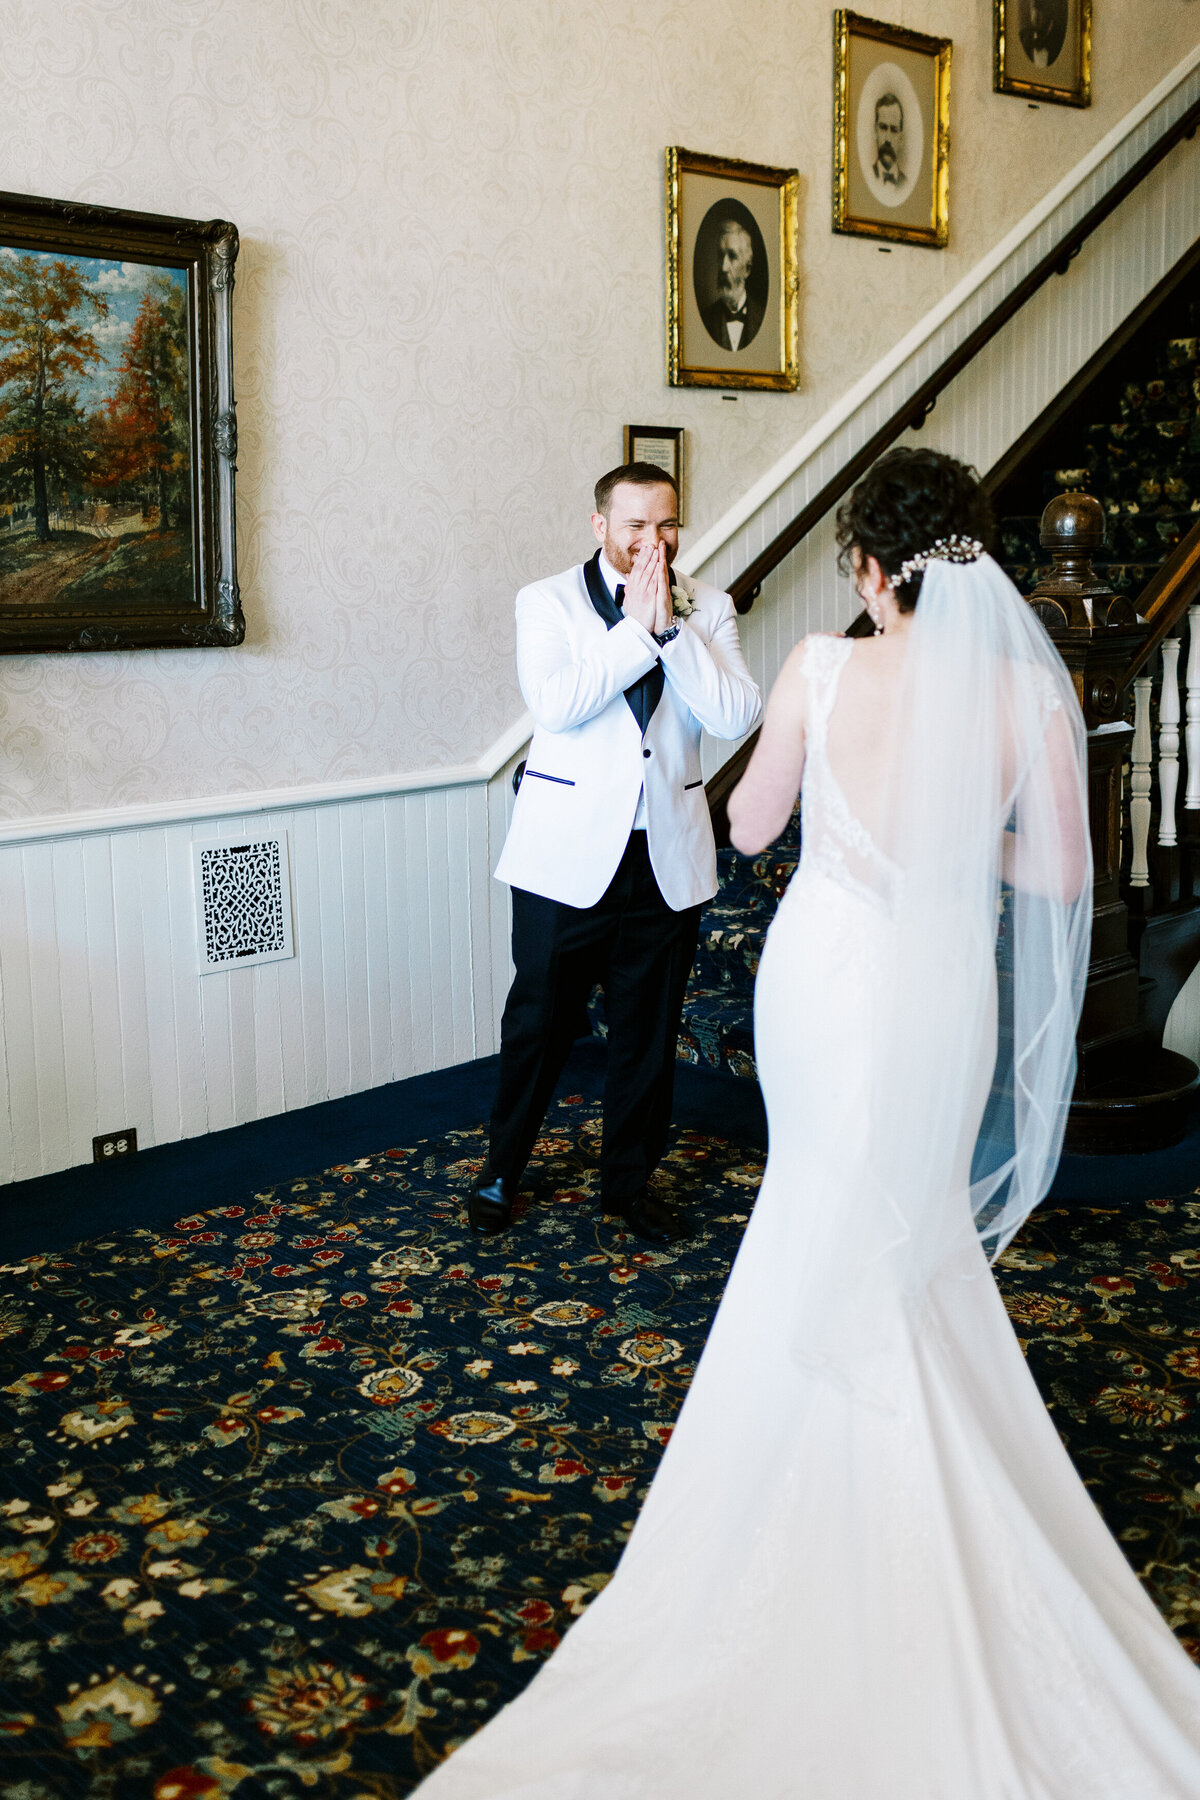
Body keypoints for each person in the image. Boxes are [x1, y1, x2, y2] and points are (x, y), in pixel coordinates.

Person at [419, 448, 1200, 1797]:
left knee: (818, 1201)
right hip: (939, 983)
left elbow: (758, 816)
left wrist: (830, 820)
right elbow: (1064, 871)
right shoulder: (1029, 689)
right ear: (974, 560)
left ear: (861, 567)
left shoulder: (821, 673)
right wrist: (956, 843)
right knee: (910, 1213)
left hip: (828, 973)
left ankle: (822, 1479)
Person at [471, 462, 761, 1245]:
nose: (652, 541)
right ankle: (502, 1167)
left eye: (665, 525)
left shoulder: (711, 607)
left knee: (648, 1029)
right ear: (600, 526)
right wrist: (637, 630)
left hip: (664, 858)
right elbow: (559, 705)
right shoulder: (547, 602)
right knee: (540, 1021)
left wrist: (673, 630)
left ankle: (627, 1186)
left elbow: (736, 714)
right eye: (635, 525)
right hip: (563, 858)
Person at [699, 218, 765, 352]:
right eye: (720, 255)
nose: (723, 267)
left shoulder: (764, 320)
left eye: (732, 257)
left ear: (747, 269)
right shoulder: (705, 320)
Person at [871, 90, 907, 190]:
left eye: (894, 130)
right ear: (875, 131)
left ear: (901, 138)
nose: (888, 139)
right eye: (883, 128)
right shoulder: (867, 176)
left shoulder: (906, 184)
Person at [1018, 0, 1067, 68]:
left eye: (1040, 9)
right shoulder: (1024, 37)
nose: (1036, 15)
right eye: (1033, 9)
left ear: (1050, 12)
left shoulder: (1059, 39)